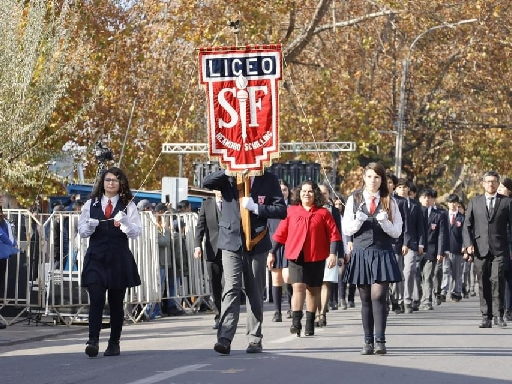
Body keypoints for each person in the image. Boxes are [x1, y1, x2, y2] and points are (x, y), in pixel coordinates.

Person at [203, 169, 286, 355]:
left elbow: (281, 210)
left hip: (257, 241)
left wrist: (257, 208)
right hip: (230, 241)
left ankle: (255, 339)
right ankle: (224, 338)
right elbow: (206, 182)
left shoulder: (269, 178)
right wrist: (228, 170)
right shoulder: (229, 177)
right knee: (231, 288)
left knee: (254, 291)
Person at [78, 167, 142, 357]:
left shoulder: (128, 205)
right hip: (96, 257)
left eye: (115, 180)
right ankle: (93, 340)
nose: (111, 183)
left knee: (116, 303)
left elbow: (136, 232)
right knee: (96, 298)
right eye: (108, 180)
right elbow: (81, 231)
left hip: (118, 258)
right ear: (102, 182)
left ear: (121, 183)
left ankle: (114, 342)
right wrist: (89, 225)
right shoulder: (91, 204)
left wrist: (125, 223)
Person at [342, 162, 402, 355]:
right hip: (361, 251)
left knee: (378, 296)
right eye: (369, 176)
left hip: (382, 251)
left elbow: (396, 232)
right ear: (364, 178)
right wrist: (358, 219)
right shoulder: (355, 199)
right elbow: (346, 229)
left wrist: (385, 221)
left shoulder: (389, 201)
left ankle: (380, 340)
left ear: (382, 180)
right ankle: (367, 340)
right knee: (366, 298)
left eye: (377, 177)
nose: (373, 180)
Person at [269, 180, 341, 337]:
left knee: (312, 290)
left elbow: (334, 235)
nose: (306, 194)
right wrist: (272, 252)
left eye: (310, 191)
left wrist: (333, 254)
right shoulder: (291, 211)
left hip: (316, 257)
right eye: (303, 191)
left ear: (315, 194)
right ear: (298, 194)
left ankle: (309, 323)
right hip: (296, 256)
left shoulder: (324, 213)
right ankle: (296, 322)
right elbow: (280, 234)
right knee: (298, 287)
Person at [463, 171, 512, 328]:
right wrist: (468, 244)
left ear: (498, 184)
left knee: (498, 280)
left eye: (494, 181)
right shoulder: (474, 202)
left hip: (500, 249)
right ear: (483, 184)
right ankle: (486, 316)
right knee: (483, 281)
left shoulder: (507, 202)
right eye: (488, 181)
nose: (491, 184)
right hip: (480, 248)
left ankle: (499, 315)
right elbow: (467, 225)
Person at [194, 190, 224, 329]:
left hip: (230, 249)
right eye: (217, 188)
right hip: (212, 251)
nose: (220, 191)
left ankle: (228, 315)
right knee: (215, 285)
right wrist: (197, 246)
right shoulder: (206, 204)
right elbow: (200, 226)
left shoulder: (232, 202)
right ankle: (219, 315)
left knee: (228, 285)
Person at [394, 178, 425, 313]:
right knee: (397, 272)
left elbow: (420, 226)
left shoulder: (415, 205)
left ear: (408, 189)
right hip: (395, 242)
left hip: (412, 242)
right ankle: (397, 299)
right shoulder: (393, 202)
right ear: (396, 189)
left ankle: (407, 300)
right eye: (400, 187)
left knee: (409, 270)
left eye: (405, 187)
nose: (402, 189)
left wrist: (421, 243)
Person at [315, 184, 344, 326]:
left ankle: (322, 313)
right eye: (320, 192)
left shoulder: (333, 210)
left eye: (325, 193)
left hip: (330, 251)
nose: (322, 195)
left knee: (326, 282)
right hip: (314, 250)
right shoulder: (310, 209)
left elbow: (338, 232)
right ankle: (314, 312)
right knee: (315, 283)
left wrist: (341, 254)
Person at [267, 179, 293, 323]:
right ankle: (277, 311)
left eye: (284, 189)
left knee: (288, 276)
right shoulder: (270, 207)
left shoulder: (293, 207)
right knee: (276, 278)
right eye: (280, 189)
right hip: (273, 244)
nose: (282, 192)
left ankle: (291, 306)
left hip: (289, 244)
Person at [416, 189, 447, 310]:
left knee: (428, 275)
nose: (427, 200)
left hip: (431, 249)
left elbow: (441, 235)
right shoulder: (415, 212)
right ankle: (416, 299)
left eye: (429, 197)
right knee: (416, 276)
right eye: (424, 197)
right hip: (416, 249)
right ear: (420, 199)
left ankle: (427, 300)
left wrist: (441, 251)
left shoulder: (438, 215)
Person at [441, 194, 465, 302]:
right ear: (448, 203)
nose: (452, 204)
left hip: (457, 249)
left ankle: (456, 292)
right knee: (445, 271)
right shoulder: (443, 216)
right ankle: (443, 291)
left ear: (458, 204)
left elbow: (465, 234)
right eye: (450, 202)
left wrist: (464, 246)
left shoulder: (461, 217)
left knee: (457, 272)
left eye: (454, 202)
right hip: (445, 249)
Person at [497, 177, 512, 321]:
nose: (499, 190)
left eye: (502, 187)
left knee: (508, 280)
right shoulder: (497, 204)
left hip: (509, 248)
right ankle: (503, 309)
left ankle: (508, 309)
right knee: (501, 279)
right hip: (499, 248)